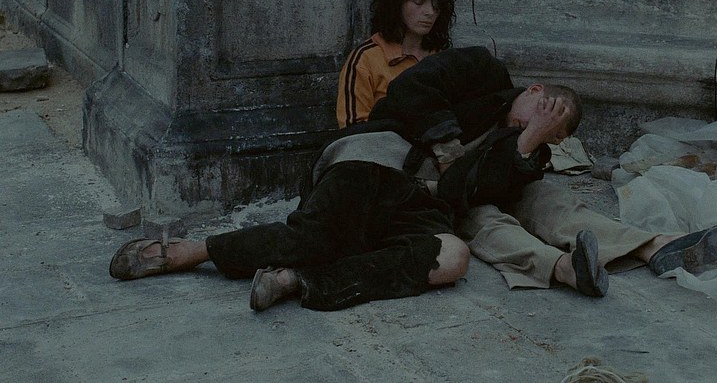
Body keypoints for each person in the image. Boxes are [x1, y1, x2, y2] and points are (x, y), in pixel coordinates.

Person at [369, 45, 717, 297]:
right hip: (414, 176)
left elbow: (486, 187)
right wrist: (448, 147)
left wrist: (529, 141)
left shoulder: (532, 143)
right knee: (485, 221)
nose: (542, 128)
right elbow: (412, 86)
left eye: (552, 132)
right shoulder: (482, 69)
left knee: (546, 197)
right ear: (534, 90)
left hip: (466, 189)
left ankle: (651, 246)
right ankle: (563, 268)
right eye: (545, 114)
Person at [109, 156, 471, 312]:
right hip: (377, 175)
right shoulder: (472, 76)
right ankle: (193, 251)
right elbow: (408, 96)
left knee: (454, 257)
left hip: (424, 215)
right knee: (315, 238)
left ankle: (296, 279)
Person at [336, 0, 456, 128]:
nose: (430, 11)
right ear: (396, 2)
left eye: (436, 4)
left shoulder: (441, 56)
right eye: (419, 1)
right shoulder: (364, 60)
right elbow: (352, 132)